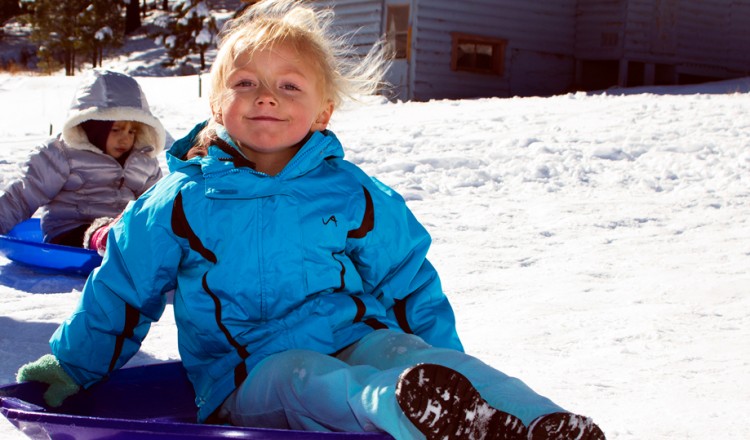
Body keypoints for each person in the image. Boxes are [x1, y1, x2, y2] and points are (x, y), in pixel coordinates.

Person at [16, 1, 605, 439]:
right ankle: (413, 418)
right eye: (246, 84)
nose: (265, 97)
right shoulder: (181, 200)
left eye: (287, 86)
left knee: (402, 349)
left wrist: (442, 361)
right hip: (247, 375)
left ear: (322, 110)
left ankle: (534, 421)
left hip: (355, 339)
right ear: (218, 105)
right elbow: (122, 288)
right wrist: (70, 366)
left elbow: (407, 282)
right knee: (302, 376)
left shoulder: (352, 194)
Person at [0, 68, 166, 253]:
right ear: (94, 125)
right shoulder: (62, 154)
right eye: (116, 129)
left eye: (131, 131)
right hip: (69, 233)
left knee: (153, 234)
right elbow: (23, 195)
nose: (125, 139)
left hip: (121, 231)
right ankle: (105, 240)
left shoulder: (143, 161)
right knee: (116, 235)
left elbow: (158, 202)